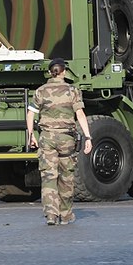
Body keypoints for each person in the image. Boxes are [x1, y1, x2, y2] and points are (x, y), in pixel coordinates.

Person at [26, 58, 93, 225]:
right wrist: (88, 137)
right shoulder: (72, 91)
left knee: (48, 176)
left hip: (47, 137)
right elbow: (80, 114)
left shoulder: (40, 91)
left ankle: (50, 215)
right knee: (66, 176)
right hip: (66, 138)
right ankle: (66, 214)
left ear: (50, 72)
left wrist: (31, 135)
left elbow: (30, 113)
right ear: (64, 72)